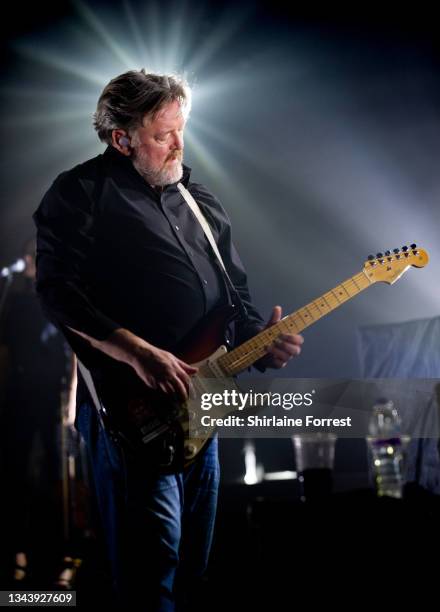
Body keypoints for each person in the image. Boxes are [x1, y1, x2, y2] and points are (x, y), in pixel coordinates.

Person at [33, 69, 304, 610]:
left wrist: (263, 342)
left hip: (202, 403)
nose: (178, 144)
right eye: (163, 135)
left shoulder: (200, 202)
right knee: (151, 567)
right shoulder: (81, 192)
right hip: (129, 409)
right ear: (122, 138)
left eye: (182, 129)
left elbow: (237, 302)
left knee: (193, 569)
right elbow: (58, 292)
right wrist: (136, 351)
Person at [0, 238, 76, 586]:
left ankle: (58, 552)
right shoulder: (15, 301)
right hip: (20, 396)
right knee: (16, 474)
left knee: (54, 475)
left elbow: (72, 350)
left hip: (52, 398)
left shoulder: (59, 298)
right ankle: (17, 552)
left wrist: (70, 398)